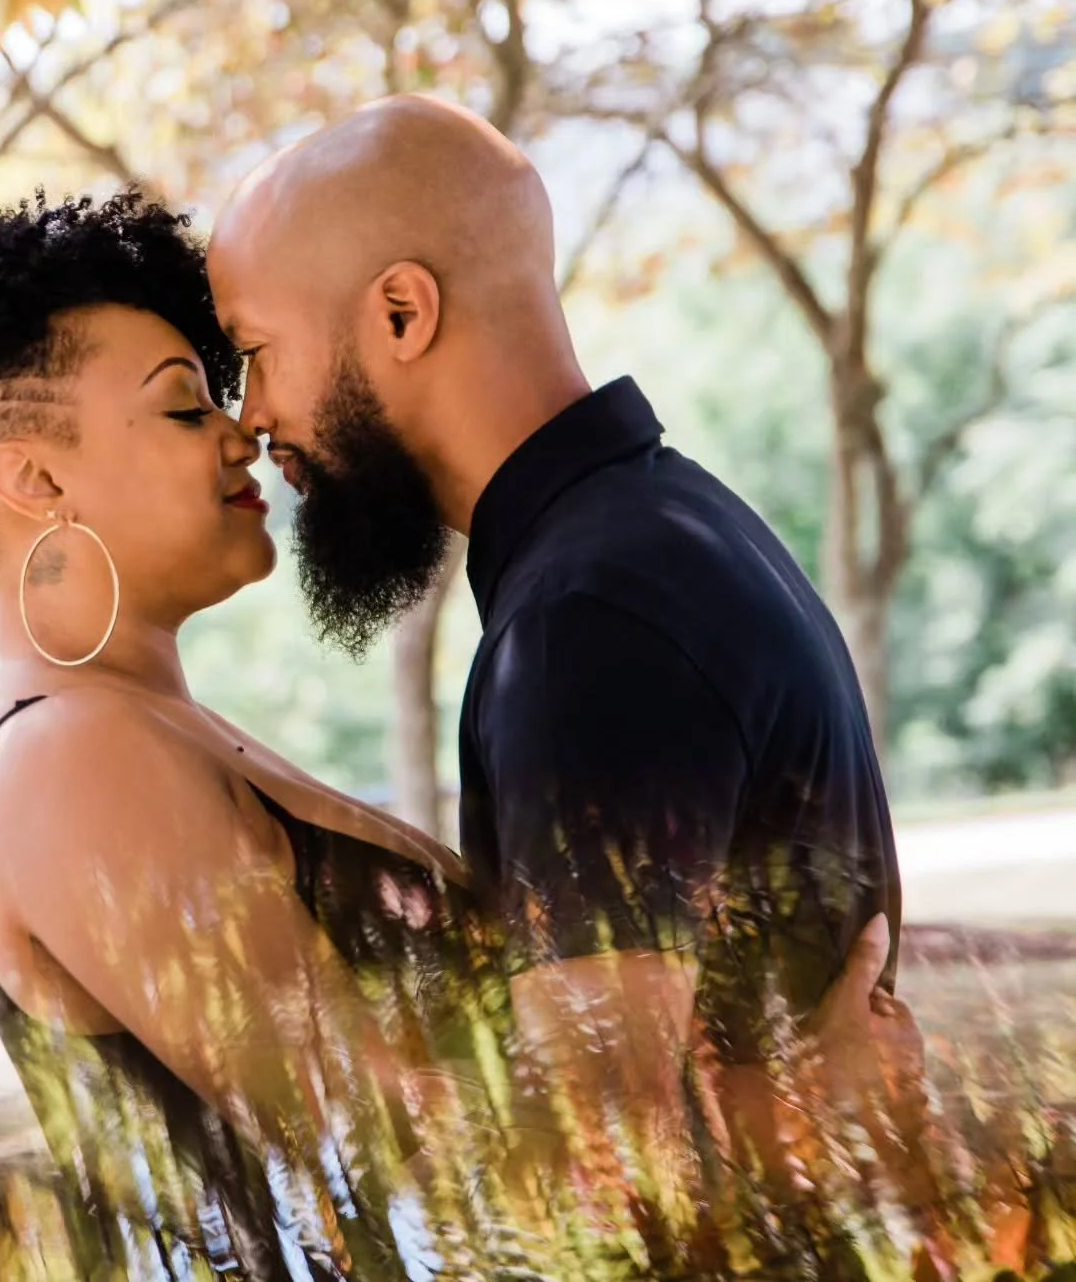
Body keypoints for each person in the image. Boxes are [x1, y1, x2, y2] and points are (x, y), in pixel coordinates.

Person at [0, 186, 899, 1276]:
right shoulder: (68, 762)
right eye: (186, 407)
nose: (244, 432)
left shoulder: (138, 729)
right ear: (34, 476)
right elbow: (410, 1171)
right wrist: (801, 1110)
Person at [205, 94, 907, 1170]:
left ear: (401, 313)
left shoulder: (587, 624)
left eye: (257, 350)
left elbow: (603, 1167)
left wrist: (820, 1114)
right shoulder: (666, 529)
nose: (251, 414)